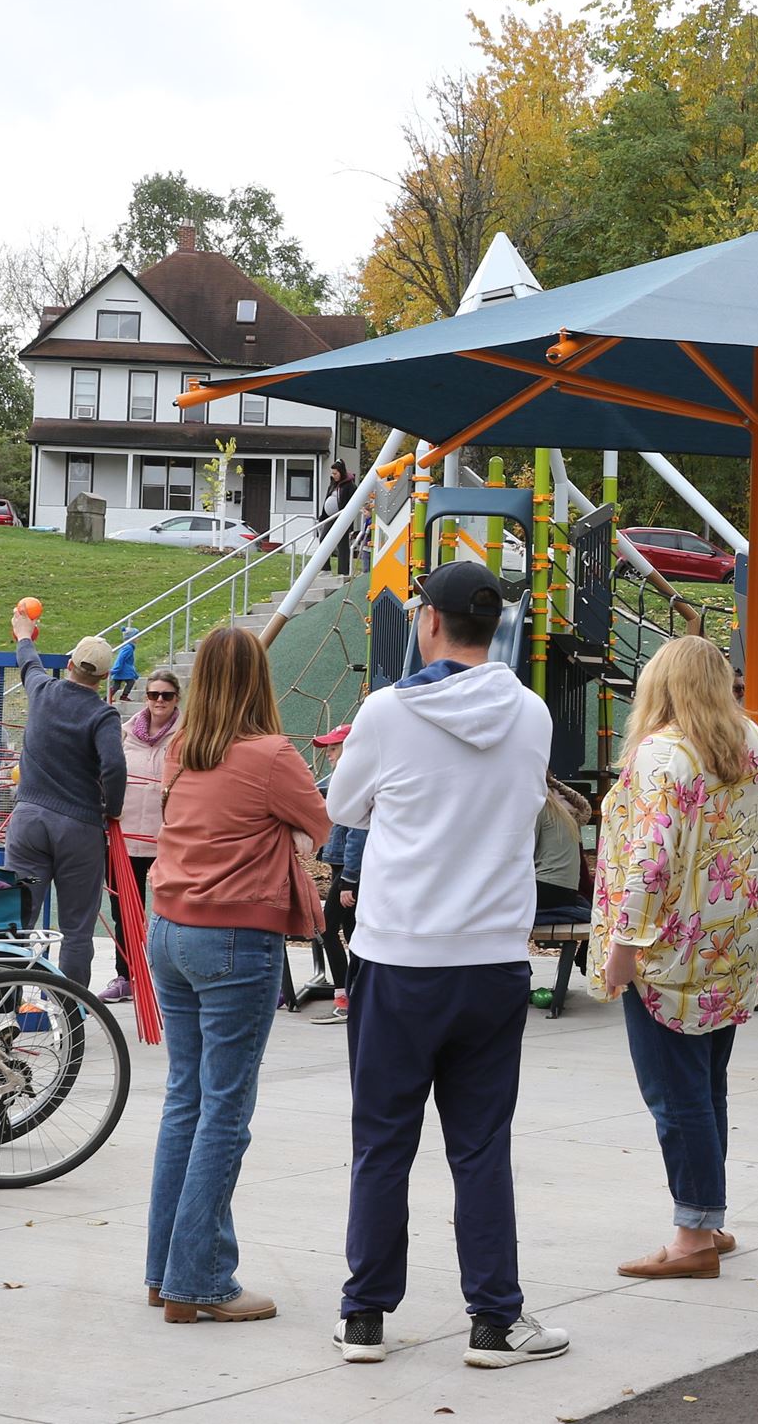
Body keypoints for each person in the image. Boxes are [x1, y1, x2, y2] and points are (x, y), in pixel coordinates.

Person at [325, 560, 565, 1369]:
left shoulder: (387, 711)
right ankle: (495, 1319)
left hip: (397, 953)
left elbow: (341, 808)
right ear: (493, 625)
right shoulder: (530, 714)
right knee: (481, 1144)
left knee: (382, 1140)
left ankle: (364, 1315)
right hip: (492, 955)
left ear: (428, 620)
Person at [144, 626, 333, 1324]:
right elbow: (328, 825)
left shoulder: (181, 751)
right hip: (233, 937)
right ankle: (201, 1279)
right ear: (261, 678)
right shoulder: (273, 755)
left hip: (168, 927)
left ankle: (166, 1272)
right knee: (224, 1111)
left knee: (185, 1102)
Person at [594, 635, 758, 1276]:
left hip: (670, 950)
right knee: (707, 1086)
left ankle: (693, 1238)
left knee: (674, 1096)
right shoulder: (755, 746)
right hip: (732, 942)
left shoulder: (663, 755)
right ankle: (708, 1215)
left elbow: (650, 862)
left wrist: (623, 947)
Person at [5, 611, 128, 993]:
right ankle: (71, 1011)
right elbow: (114, 765)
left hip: (28, 822)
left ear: (70, 664)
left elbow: (29, 659)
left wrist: (23, 632)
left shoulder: (42, 689)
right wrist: (113, 807)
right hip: (79, 829)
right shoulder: (102, 714)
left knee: (17, 919)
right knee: (76, 929)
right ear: (105, 677)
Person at [106, 667, 183, 1005]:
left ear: (177, 698)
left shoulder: (186, 737)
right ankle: (126, 975)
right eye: (153, 695)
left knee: (174, 910)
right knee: (125, 912)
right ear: (145, 697)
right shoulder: (123, 736)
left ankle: (173, 978)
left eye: (166, 695)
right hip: (124, 840)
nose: (159, 701)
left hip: (168, 840)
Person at [310, 723, 366, 1026]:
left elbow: (358, 832)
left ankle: (345, 999)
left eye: (334, 748)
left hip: (347, 871)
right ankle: (358, 995)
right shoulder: (340, 779)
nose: (329, 754)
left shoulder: (353, 780)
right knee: (350, 931)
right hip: (340, 867)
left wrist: (349, 880)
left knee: (326, 929)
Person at [109, 626, 141, 704]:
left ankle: (107, 697)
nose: (138, 638)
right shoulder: (128, 648)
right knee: (130, 682)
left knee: (116, 686)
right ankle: (123, 696)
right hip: (123, 671)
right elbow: (121, 658)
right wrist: (116, 669)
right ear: (131, 638)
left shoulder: (128, 647)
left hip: (124, 671)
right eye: (137, 637)